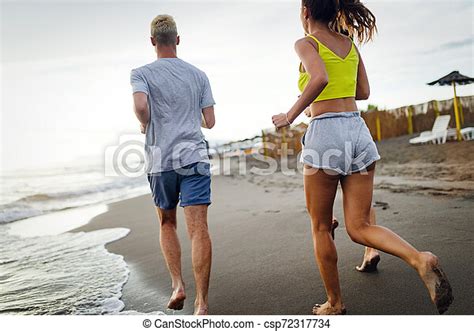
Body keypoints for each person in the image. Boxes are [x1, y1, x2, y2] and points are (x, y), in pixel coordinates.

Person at [272, 0, 453, 315]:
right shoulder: (349, 43)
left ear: (305, 12)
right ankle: (419, 259)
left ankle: (335, 303)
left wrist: (289, 115)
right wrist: (340, 88)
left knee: (321, 227)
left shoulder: (306, 43)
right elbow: (364, 91)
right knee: (359, 226)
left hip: (326, 134)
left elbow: (319, 79)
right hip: (358, 131)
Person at [130, 14, 216, 315]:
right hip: (193, 156)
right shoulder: (198, 74)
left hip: (160, 160)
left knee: (167, 222)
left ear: (153, 42)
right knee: (198, 230)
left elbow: (141, 106)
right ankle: (202, 303)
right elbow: (210, 121)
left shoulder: (140, 73)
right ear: (177, 40)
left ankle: (178, 284)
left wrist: (146, 124)